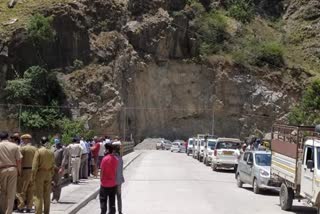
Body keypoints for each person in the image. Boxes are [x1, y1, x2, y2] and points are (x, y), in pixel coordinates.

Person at [0, 131, 22, 214]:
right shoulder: (14, 146)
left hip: (2, 170)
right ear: (8, 137)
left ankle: (2, 210)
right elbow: (19, 160)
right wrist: (19, 171)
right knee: (11, 192)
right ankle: (8, 212)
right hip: (13, 169)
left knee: (3, 191)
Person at [32, 136, 55, 214]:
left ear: (41, 142)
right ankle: (46, 212)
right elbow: (53, 164)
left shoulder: (38, 151)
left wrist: (33, 176)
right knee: (47, 195)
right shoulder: (51, 152)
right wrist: (51, 174)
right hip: (48, 174)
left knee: (38, 195)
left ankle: (38, 212)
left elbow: (34, 166)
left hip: (40, 174)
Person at [16, 134, 37, 213]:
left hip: (25, 171)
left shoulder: (23, 149)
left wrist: (19, 171)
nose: (22, 141)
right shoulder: (35, 148)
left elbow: (19, 161)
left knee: (22, 190)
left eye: (23, 139)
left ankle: (20, 206)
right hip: (33, 171)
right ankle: (29, 207)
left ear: (25, 140)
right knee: (31, 190)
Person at [100, 143, 118, 214]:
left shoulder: (104, 159)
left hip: (104, 184)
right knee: (112, 201)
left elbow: (101, 171)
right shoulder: (116, 159)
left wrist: (101, 179)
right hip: (113, 183)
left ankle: (103, 212)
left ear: (107, 150)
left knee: (103, 200)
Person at [52, 139, 68, 203]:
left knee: (57, 183)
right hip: (52, 167)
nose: (57, 144)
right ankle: (53, 196)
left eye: (58, 143)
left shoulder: (63, 149)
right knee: (51, 183)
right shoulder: (52, 147)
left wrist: (62, 167)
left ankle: (56, 198)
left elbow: (64, 158)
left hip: (58, 167)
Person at [113, 141, 124, 214]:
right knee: (119, 196)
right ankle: (120, 211)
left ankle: (112, 210)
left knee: (112, 197)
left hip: (112, 180)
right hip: (119, 180)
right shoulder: (120, 158)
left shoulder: (112, 158)